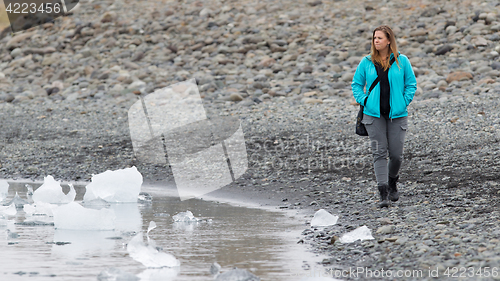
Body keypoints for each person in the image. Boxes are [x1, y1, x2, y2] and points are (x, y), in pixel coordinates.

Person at [351, 25, 417, 208]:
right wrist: (364, 100)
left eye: (379, 38)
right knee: (379, 153)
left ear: (389, 40)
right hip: (373, 115)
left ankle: (392, 180)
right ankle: (383, 194)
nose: (376, 41)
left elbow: (411, 84)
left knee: (396, 155)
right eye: (374, 38)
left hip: (397, 114)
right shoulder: (366, 62)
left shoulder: (401, 61)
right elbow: (356, 84)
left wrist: (404, 102)